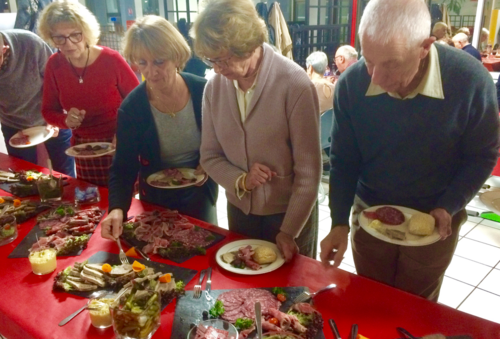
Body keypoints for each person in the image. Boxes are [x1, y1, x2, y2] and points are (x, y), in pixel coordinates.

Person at [321, 0, 499, 301]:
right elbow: (344, 160)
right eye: (368, 61)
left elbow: (482, 154)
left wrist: (449, 205)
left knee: (416, 304)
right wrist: (338, 221)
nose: (374, 78)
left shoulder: (469, 81)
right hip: (370, 212)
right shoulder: (352, 84)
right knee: (372, 296)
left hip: (435, 214)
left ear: (425, 47)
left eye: (390, 64)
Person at [193, 0, 321, 261]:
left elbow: (308, 172)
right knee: (244, 292)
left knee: (290, 294)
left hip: (289, 215)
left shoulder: (294, 84)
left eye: (223, 59)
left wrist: (289, 231)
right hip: (240, 213)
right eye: (211, 60)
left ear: (249, 46)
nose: (216, 69)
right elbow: (209, 156)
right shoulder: (214, 88)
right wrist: (240, 179)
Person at [101, 15, 218, 241]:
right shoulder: (132, 108)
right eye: (142, 63)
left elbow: (224, 138)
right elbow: (123, 167)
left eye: (159, 61)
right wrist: (116, 209)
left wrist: (211, 159)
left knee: (203, 250)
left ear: (176, 56)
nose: (151, 72)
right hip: (156, 197)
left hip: (200, 192)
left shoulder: (204, 92)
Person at [38, 1, 139, 186]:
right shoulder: (54, 65)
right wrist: (65, 121)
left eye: (75, 35)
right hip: (83, 148)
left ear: (86, 32)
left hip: (119, 142)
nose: (68, 44)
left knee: (128, 203)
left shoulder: (111, 60)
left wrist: (126, 132)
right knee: (92, 204)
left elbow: (139, 102)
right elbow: (48, 111)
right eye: (59, 38)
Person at [0, 29, 75, 176]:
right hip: (13, 123)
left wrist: (56, 116)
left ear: (4, 49)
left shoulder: (30, 44)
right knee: (23, 176)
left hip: (52, 115)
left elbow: (58, 81)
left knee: (65, 174)